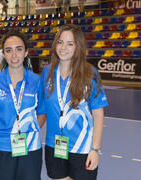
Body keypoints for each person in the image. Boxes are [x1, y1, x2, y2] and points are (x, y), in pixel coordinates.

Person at [38, 24, 108, 180]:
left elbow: (98, 114)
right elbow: (42, 110)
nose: (63, 47)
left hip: (82, 148)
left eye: (70, 44)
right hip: (54, 145)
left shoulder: (89, 73)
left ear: (78, 47)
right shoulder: (47, 72)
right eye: (60, 42)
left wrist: (95, 150)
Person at [0, 32, 44, 180]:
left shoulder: (36, 81)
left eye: (18, 49)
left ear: (26, 53)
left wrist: (28, 130)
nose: (14, 55)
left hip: (30, 147)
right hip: (0, 147)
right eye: (9, 50)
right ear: (3, 54)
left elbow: (42, 112)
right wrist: (5, 132)